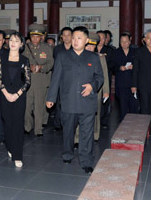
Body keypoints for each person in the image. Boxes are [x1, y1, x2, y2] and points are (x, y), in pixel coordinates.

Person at [46, 26, 104, 174]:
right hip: (68, 101)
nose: (75, 41)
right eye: (73, 38)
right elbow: (56, 79)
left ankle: (86, 161)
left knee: (87, 134)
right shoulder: (62, 56)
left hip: (87, 103)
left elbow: (99, 78)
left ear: (86, 41)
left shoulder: (93, 57)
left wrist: (92, 86)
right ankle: (67, 154)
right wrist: (51, 98)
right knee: (68, 132)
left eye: (79, 38)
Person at [0, 32, 31, 168]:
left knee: (17, 125)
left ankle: (18, 155)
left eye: (16, 41)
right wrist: (6, 93)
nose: (13, 43)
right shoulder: (2, 58)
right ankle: (10, 147)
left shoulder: (24, 60)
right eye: (11, 40)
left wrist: (16, 94)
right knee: (8, 124)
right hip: (4, 96)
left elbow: (27, 81)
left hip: (19, 97)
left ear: (21, 44)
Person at [23, 23, 54, 137]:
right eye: (33, 36)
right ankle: (27, 127)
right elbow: (19, 62)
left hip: (41, 81)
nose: (35, 39)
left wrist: (41, 67)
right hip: (27, 81)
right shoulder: (24, 47)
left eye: (37, 36)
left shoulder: (47, 48)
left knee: (39, 106)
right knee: (26, 106)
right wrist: (27, 67)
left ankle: (38, 129)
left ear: (41, 37)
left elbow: (51, 63)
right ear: (30, 36)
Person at [84, 33, 109, 141]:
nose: (90, 48)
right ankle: (77, 138)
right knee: (79, 114)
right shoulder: (78, 56)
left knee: (96, 114)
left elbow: (105, 75)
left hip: (96, 90)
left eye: (92, 46)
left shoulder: (100, 58)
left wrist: (106, 91)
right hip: (80, 90)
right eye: (88, 45)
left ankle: (95, 135)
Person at [112, 32, 138, 121]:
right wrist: (119, 68)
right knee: (123, 105)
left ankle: (134, 123)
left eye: (126, 41)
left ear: (130, 41)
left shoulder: (135, 52)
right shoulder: (116, 52)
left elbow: (140, 65)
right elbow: (112, 66)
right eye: (122, 42)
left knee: (134, 104)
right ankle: (123, 124)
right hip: (121, 83)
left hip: (132, 82)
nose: (124, 43)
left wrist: (134, 66)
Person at [52, 27, 73, 130]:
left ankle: (68, 124)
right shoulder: (57, 49)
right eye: (64, 35)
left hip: (71, 80)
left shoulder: (75, 48)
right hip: (60, 79)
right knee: (58, 102)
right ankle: (57, 124)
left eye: (68, 34)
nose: (66, 37)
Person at [97, 30, 113, 128]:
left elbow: (113, 64)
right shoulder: (90, 49)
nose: (101, 40)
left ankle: (104, 121)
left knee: (105, 100)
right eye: (99, 37)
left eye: (103, 38)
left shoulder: (109, 50)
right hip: (94, 78)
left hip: (106, 77)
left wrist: (104, 61)